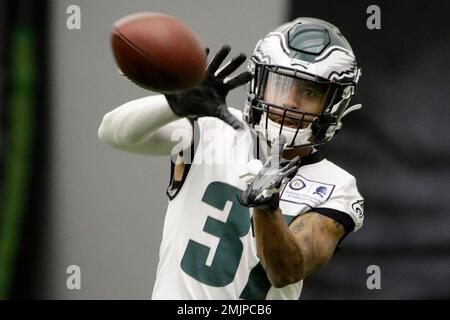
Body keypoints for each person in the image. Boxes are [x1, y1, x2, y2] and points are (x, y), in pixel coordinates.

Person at [98, 17, 364, 300]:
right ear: (259, 81)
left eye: (308, 91)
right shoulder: (213, 128)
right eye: (281, 83)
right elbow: (113, 133)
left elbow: (285, 270)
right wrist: (173, 105)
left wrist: (266, 207)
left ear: (333, 103)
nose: (289, 101)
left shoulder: (337, 187)